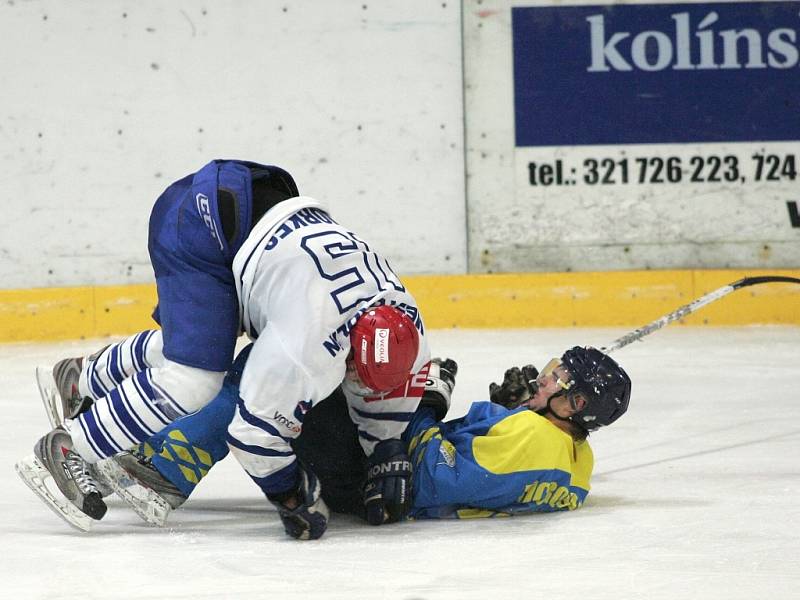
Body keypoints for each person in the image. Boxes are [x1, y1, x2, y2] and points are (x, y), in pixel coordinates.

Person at [16, 159, 431, 540]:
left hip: (254, 209)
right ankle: (69, 446)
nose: (356, 381)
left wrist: (386, 450)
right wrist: (291, 494)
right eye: (355, 370)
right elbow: (252, 435)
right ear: (349, 346)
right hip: (205, 222)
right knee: (193, 379)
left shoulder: (405, 323)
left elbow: (386, 397)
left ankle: (86, 376)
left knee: (201, 350)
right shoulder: (310, 338)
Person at [98, 344, 630, 527]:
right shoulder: (575, 461)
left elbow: (432, 473)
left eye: (558, 379)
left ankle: (163, 469)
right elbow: (495, 469)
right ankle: (154, 452)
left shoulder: (534, 439)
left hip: (376, 481)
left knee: (275, 376)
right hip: (386, 477)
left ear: (577, 404)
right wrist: (510, 411)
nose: (544, 376)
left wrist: (424, 403)